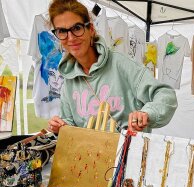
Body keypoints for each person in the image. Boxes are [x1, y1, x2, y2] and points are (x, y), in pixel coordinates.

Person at [47, 0, 177, 134]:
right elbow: (70, 122)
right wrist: (61, 125)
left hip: (126, 152)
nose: (71, 38)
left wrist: (146, 113)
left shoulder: (121, 65)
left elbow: (166, 95)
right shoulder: (69, 79)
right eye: (62, 31)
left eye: (77, 28)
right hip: (88, 153)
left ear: (90, 29)